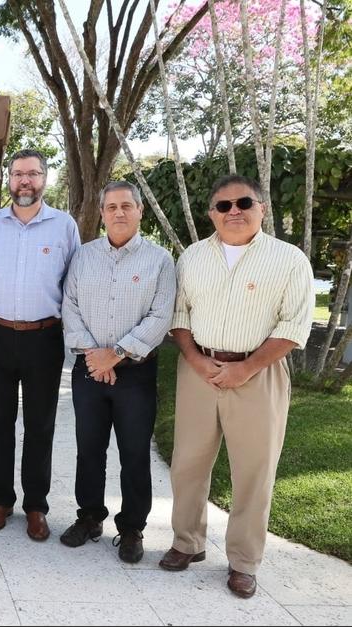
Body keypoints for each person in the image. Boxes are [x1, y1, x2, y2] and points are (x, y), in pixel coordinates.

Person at [159, 175, 314, 598]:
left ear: (261, 208)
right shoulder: (192, 257)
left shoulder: (289, 259)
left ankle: (244, 562)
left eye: (244, 202)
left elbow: (294, 324)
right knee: (187, 464)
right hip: (199, 371)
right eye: (223, 206)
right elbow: (179, 315)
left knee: (254, 472)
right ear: (211, 214)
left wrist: (246, 368)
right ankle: (186, 543)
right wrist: (194, 360)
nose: (234, 212)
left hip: (259, 374)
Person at [61, 181, 176, 562]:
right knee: (89, 450)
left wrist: (118, 354)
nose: (119, 213)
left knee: (134, 453)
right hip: (89, 369)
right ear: (103, 212)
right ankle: (90, 517)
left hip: (136, 374)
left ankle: (132, 529)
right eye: (111, 207)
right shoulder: (83, 256)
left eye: (126, 206)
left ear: (140, 211)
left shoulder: (160, 260)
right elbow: (70, 306)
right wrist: (95, 356)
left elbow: (161, 316)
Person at [0, 149, 80, 541]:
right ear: (9, 180)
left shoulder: (64, 226)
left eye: (33, 174)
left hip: (45, 338)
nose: (25, 181)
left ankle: (36, 505)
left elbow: (73, 285)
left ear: (44, 180)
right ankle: (1, 500)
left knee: (40, 425)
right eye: (18, 174)